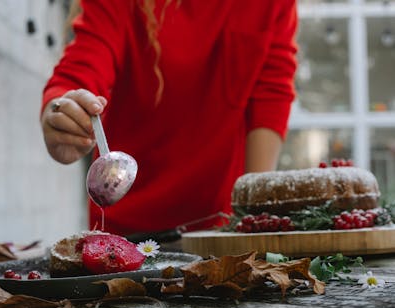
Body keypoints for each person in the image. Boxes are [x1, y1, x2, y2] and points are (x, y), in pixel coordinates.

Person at [41, 0, 298, 237]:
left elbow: (271, 92)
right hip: (126, 224)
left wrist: (253, 215)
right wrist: (63, 112)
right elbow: (84, 64)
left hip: (221, 227)